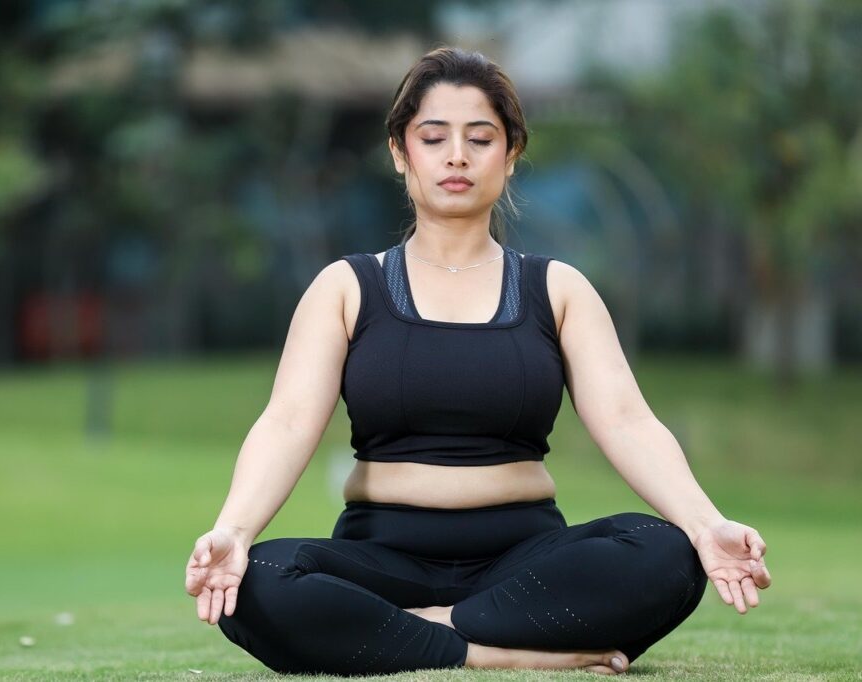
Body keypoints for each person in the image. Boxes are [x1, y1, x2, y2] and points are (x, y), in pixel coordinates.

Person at [184, 46, 772, 676]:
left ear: (511, 154)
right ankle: (495, 652)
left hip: (525, 561)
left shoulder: (558, 288)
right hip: (382, 561)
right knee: (256, 581)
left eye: (481, 138)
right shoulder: (347, 287)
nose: (456, 156)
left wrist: (706, 524)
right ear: (399, 151)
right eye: (433, 137)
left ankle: (413, 637)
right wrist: (234, 532)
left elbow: (627, 420)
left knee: (666, 553)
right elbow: (288, 422)